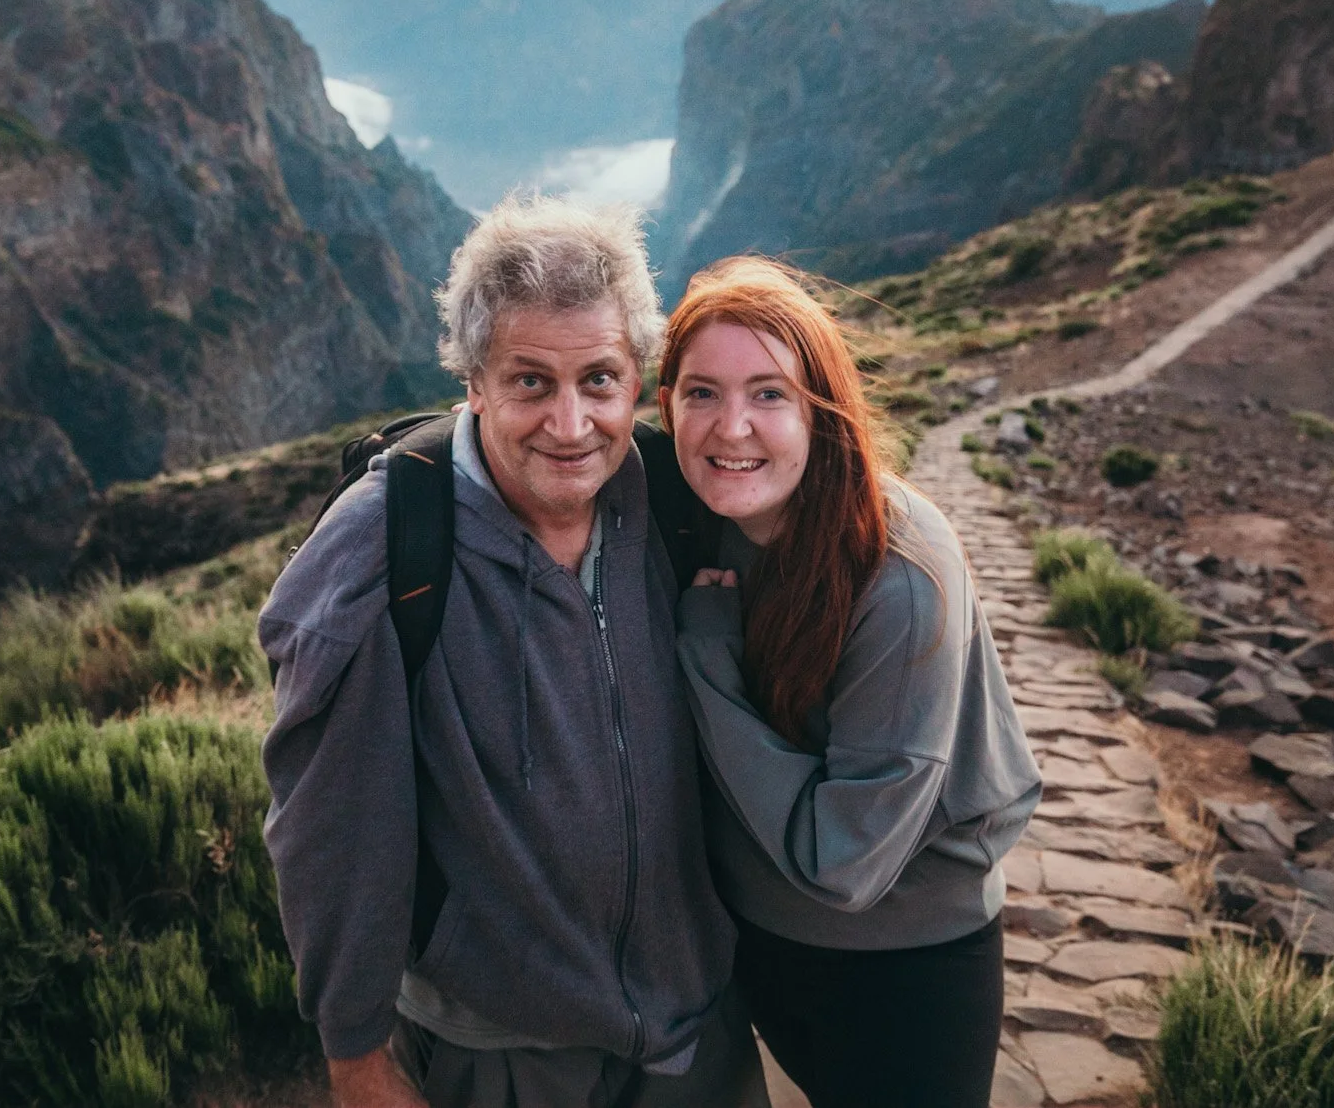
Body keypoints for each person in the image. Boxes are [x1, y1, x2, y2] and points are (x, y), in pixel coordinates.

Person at [257, 197, 767, 1108]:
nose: (571, 425)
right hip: (503, 1059)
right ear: (475, 382)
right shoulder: (385, 547)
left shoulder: (676, 503)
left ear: (637, 380)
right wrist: (357, 1058)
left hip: (697, 1036)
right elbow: (332, 834)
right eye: (531, 381)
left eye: (599, 381)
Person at [656, 256, 1044, 1108]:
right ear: (667, 406)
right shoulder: (701, 515)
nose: (732, 428)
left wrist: (707, 659)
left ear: (820, 409)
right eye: (701, 393)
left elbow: (847, 863)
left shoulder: (899, 577)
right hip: (757, 952)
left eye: (768, 393)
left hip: (902, 979)